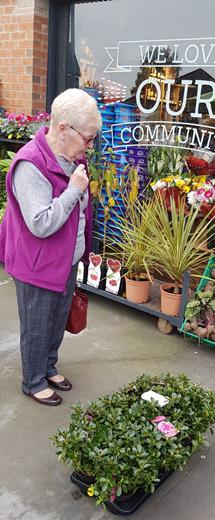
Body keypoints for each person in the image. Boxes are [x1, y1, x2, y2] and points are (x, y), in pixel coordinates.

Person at [0, 88, 102, 406]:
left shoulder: (73, 157)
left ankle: (48, 367)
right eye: (87, 138)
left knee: (58, 318)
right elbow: (41, 223)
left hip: (65, 260)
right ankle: (33, 380)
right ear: (62, 130)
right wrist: (74, 192)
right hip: (37, 264)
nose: (90, 146)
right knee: (37, 324)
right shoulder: (31, 164)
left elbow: (79, 209)